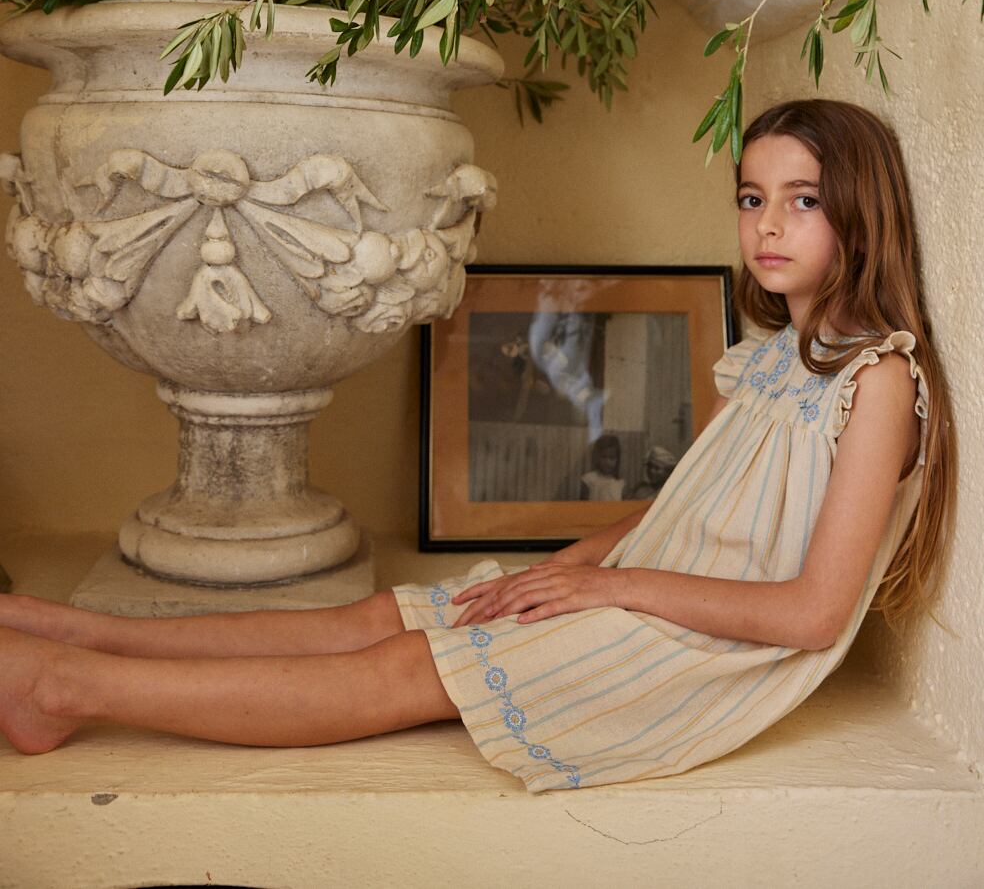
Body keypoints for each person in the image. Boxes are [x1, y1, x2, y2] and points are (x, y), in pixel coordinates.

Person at [0, 99, 955, 793]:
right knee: (388, 616)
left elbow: (812, 614)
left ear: (861, 212)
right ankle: (78, 631)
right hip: (654, 589)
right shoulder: (773, 356)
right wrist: (579, 563)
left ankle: (62, 686)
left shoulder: (876, 380)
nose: (769, 225)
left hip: (705, 653)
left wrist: (612, 588)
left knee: (404, 670)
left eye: (804, 201)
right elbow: (695, 510)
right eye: (752, 198)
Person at [579, 432, 624, 500]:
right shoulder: (588, 480)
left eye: (611, 458)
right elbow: (582, 504)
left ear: (617, 460)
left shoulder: (620, 483)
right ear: (597, 457)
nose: (607, 462)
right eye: (604, 457)